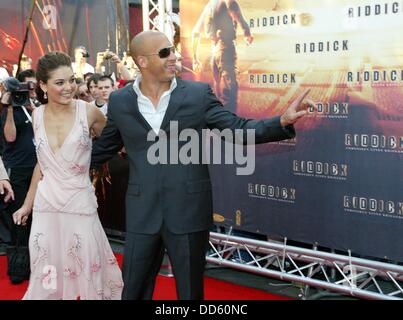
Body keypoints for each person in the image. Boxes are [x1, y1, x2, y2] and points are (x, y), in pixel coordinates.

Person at [91, 30, 313, 300]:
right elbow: (104, 148)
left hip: (188, 208)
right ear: (142, 61)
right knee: (133, 289)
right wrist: (57, 162)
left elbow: (237, 129)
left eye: (172, 50)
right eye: (164, 53)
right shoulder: (120, 100)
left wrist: (281, 122)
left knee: (189, 291)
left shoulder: (196, 94)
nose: (174, 56)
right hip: (141, 210)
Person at [12, 51, 123, 300]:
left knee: (86, 266)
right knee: (47, 268)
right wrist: (27, 206)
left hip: (79, 204)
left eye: (71, 80)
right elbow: (41, 166)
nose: (69, 87)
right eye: (59, 82)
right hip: (46, 206)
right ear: (42, 85)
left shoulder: (89, 113)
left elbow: (116, 144)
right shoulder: (37, 116)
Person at [0, 69, 38, 283]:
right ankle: (19, 266)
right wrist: (12, 107)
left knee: (37, 217)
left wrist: (31, 108)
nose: (29, 90)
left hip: (38, 168)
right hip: (18, 169)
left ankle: (38, 262)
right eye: (25, 87)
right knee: (19, 218)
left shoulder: (36, 108)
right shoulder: (7, 110)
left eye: (32, 86)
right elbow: (10, 137)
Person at [192, 0, 253, 113]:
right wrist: (247, 33)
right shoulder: (229, 2)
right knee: (229, 89)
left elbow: (195, 32)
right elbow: (241, 21)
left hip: (214, 51)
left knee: (218, 88)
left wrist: (195, 57)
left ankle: (221, 121)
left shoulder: (209, 5)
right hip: (225, 49)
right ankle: (230, 124)